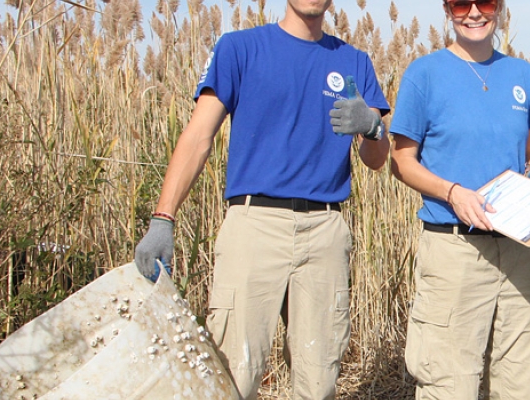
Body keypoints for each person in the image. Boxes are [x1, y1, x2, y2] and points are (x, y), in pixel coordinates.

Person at [131, 0, 391, 397]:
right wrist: (163, 218)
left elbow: (375, 160)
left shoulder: (354, 61)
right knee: (233, 372)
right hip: (254, 225)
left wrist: (373, 127)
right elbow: (199, 136)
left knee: (319, 377)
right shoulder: (240, 48)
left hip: (325, 229)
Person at [388, 0, 530, 398]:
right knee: (449, 383)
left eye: (486, 3)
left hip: (519, 251)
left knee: (522, 383)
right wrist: (451, 192)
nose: (475, 12)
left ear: (500, 8)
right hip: (454, 250)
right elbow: (401, 161)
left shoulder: (524, 75)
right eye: (462, 3)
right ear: (447, 9)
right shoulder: (423, 74)